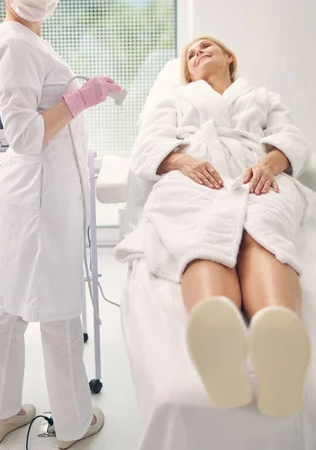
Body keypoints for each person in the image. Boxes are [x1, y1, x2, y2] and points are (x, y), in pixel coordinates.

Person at [115, 35, 313, 418]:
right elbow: (147, 147)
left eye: (207, 47)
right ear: (186, 72)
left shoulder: (262, 96)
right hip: (194, 173)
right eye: (191, 54)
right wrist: (181, 163)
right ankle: (218, 335)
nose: (198, 52)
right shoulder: (174, 100)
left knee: (264, 230)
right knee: (199, 234)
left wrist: (269, 165)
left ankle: (277, 338)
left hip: (257, 171)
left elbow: (293, 140)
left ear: (229, 57)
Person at [0, 0, 121, 447]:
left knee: (11, 302)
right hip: (40, 199)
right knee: (59, 309)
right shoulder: (15, 43)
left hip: (33, 196)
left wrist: (78, 97)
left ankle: (0, 411)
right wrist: (82, 99)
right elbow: (24, 135)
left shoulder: (25, 38)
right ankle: (74, 423)